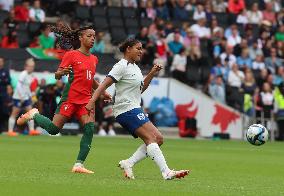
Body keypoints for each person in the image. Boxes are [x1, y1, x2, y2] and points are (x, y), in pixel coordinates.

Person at [85, 38, 189, 180]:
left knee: (158, 139)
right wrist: (92, 101)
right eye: (138, 48)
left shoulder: (135, 67)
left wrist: (152, 73)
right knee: (151, 138)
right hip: (125, 110)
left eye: (141, 49)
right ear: (128, 49)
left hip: (134, 107)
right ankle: (166, 172)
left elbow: (140, 90)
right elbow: (104, 84)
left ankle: (129, 163)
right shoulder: (121, 66)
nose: (141, 51)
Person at [17, 24, 112, 174]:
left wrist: (102, 91)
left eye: (94, 36)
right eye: (89, 36)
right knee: (54, 129)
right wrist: (61, 73)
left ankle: (78, 165)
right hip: (70, 98)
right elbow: (57, 74)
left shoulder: (94, 58)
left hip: (86, 101)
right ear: (80, 38)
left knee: (89, 129)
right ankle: (34, 114)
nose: (93, 39)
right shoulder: (71, 55)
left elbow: (90, 78)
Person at [7, 58, 38, 136]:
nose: (31, 68)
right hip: (18, 97)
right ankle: (10, 131)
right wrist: (22, 97)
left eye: (32, 66)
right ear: (26, 66)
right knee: (15, 113)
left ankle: (31, 130)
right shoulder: (23, 74)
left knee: (31, 113)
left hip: (26, 97)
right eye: (30, 66)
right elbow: (19, 86)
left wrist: (31, 96)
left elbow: (27, 87)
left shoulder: (31, 75)